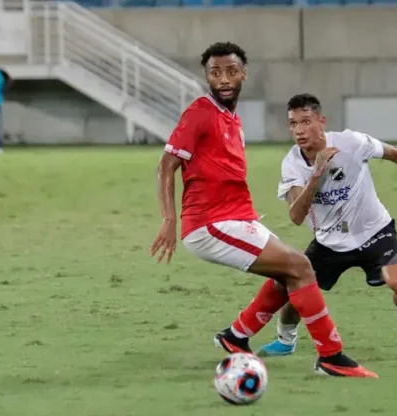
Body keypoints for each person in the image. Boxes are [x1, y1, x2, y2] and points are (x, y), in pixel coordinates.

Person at [149, 42, 376, 378]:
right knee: (299, 266)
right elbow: (166, 165)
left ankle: (235, 336)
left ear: (244, 73)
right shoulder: (200, 112)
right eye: (215, 72)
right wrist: (170, 219)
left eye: (231, 71)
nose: (224, 78)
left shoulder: (232, 120)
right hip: (210, 224)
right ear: (206, 77)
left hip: (237, 218)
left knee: (292, 270)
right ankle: (331, 356)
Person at [258, 94, 397, 358]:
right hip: (329, 241)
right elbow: (296, 216)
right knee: (296, 293)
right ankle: (286, 341)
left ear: (321, 121)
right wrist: (317, 174)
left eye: (305, 121)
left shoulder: (352, 143)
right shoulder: (292, 163)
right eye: (293, 124)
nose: (298, 130)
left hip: (375, 231)